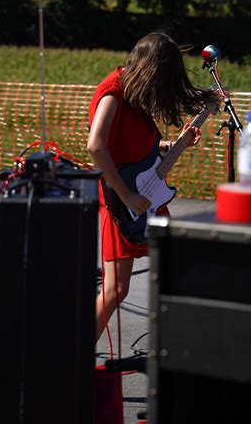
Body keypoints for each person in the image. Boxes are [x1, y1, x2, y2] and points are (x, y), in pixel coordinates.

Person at [87, 32, 217, 343]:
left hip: (142, 196)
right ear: (150, 70)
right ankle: (73, 357)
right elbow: (96, 147)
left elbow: (135, 151)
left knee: (177, 261)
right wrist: (127, 195)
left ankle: (184, 342)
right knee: (116, 290)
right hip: (120, 200)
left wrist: (176, 144)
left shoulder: (133, 97)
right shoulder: (112, 93)